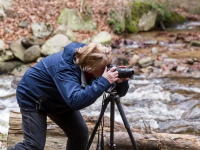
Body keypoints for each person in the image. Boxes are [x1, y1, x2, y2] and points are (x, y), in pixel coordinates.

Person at [10, 42, 129, 150]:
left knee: (79, 135)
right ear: (91, 67)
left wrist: (121, 82)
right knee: (33, 145)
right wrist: (104, 81)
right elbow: (76, 101)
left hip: (59, 98)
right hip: (33, 96)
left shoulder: (92, 58)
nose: (106, 69)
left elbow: (117, 93)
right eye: (104, 67)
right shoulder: (65, 68)